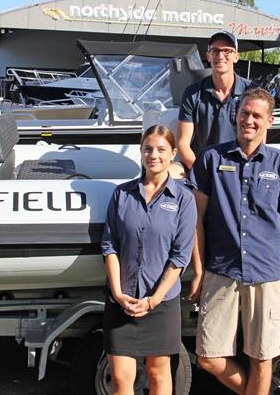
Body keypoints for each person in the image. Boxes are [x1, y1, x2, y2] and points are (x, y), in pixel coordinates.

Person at [187, 87, 280, 394]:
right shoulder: (211, 159)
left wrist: (267, 250)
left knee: (262, 356)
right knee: (208, 356)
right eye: (244, 113)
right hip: (221, 268)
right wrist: (199, 269)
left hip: (265, 273)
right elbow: (196, 220)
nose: (248, 120)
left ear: (268, 121)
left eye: (256, 115)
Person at [100, 125, 197, 394]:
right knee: (120, 378)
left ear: (173, 153)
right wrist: (118, 294)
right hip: (122, 301)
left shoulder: (184, 200)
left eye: (161, 150)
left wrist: (153, 300)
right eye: (148, 149)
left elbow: (180, 257)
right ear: (141, 152)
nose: (153, 155)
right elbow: (109, 246)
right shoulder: (122, 195)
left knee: (158, 375)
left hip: (161, 303)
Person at [177, 30, 253, 172]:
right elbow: (182, 143)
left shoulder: (252, 92)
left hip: (238, 168)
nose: (220, 55)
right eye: (215, 50)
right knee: (164, 176)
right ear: (208, 56)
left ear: (236, 57)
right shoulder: (192, 93)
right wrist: (201, 172)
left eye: (227, 51)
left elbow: (259, 140)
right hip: (200, 165)